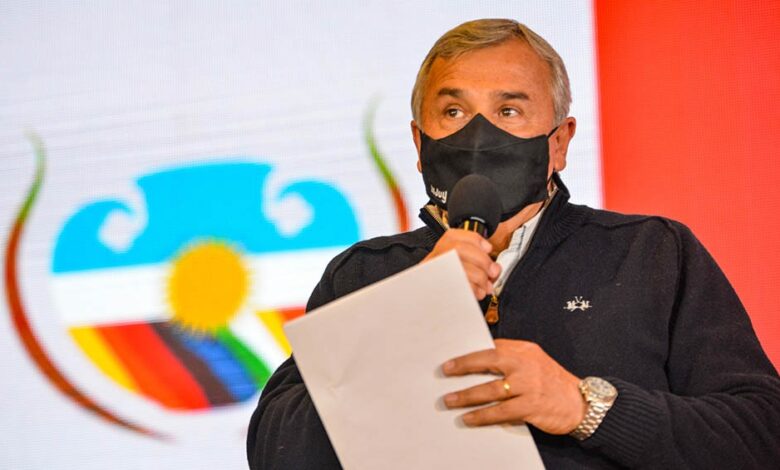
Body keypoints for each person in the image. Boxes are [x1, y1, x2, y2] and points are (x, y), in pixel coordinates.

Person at [247, 19, 780, 469]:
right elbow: (276, 450)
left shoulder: (652, 254)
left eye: (508, 111)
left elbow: (762, 433)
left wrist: (582, 408)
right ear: (419, 142)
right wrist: (409, 310)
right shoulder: (364, 274)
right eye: (453, 112)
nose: (478, 136)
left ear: (560, 142)